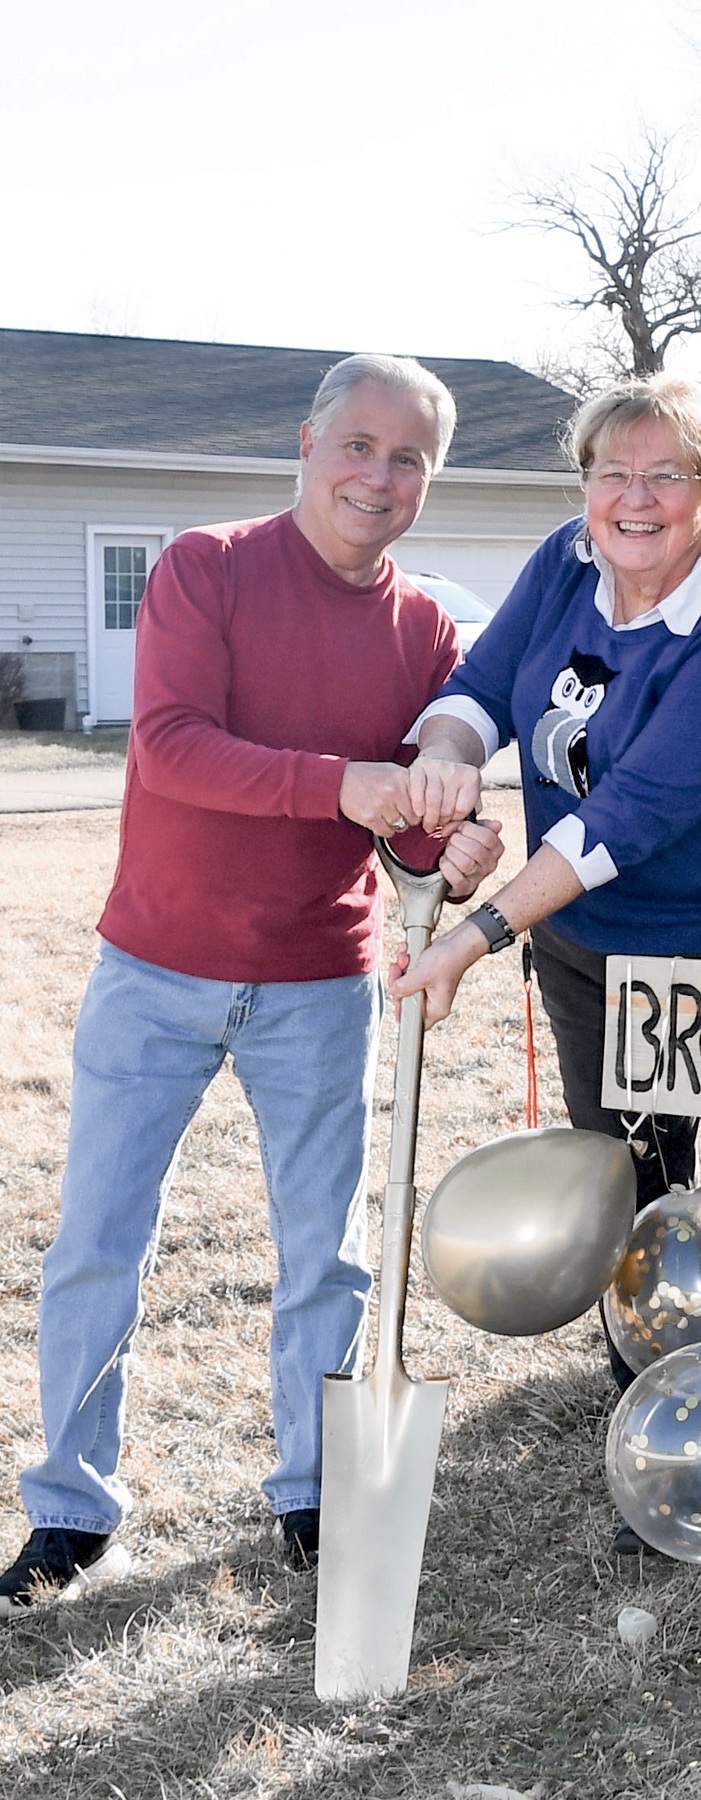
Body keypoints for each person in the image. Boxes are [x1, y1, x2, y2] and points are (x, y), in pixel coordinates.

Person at [0, 353, 500, 1616]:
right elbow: (169, 747)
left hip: (319, 984)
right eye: (359, 446)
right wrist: (341, 780)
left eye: (409, 460)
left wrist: (450, 830)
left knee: (323, 1257)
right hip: (153, 966)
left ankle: (316, 1499)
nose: (378, 478)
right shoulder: (206, 564)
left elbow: (410, 838)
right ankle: (69, 1510)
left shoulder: (428, 630)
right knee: (96, 1247)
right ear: (308, 441)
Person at [391, 374, 701, 1547]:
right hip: (591, 954)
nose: (635, 500)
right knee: (624, 1189)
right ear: (585, 483)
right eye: (611, 474)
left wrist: (479, 935)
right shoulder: (566, 564)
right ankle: (651, 1421)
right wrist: (447, 762)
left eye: (666, 476)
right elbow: (481, 692)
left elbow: (617, 824)